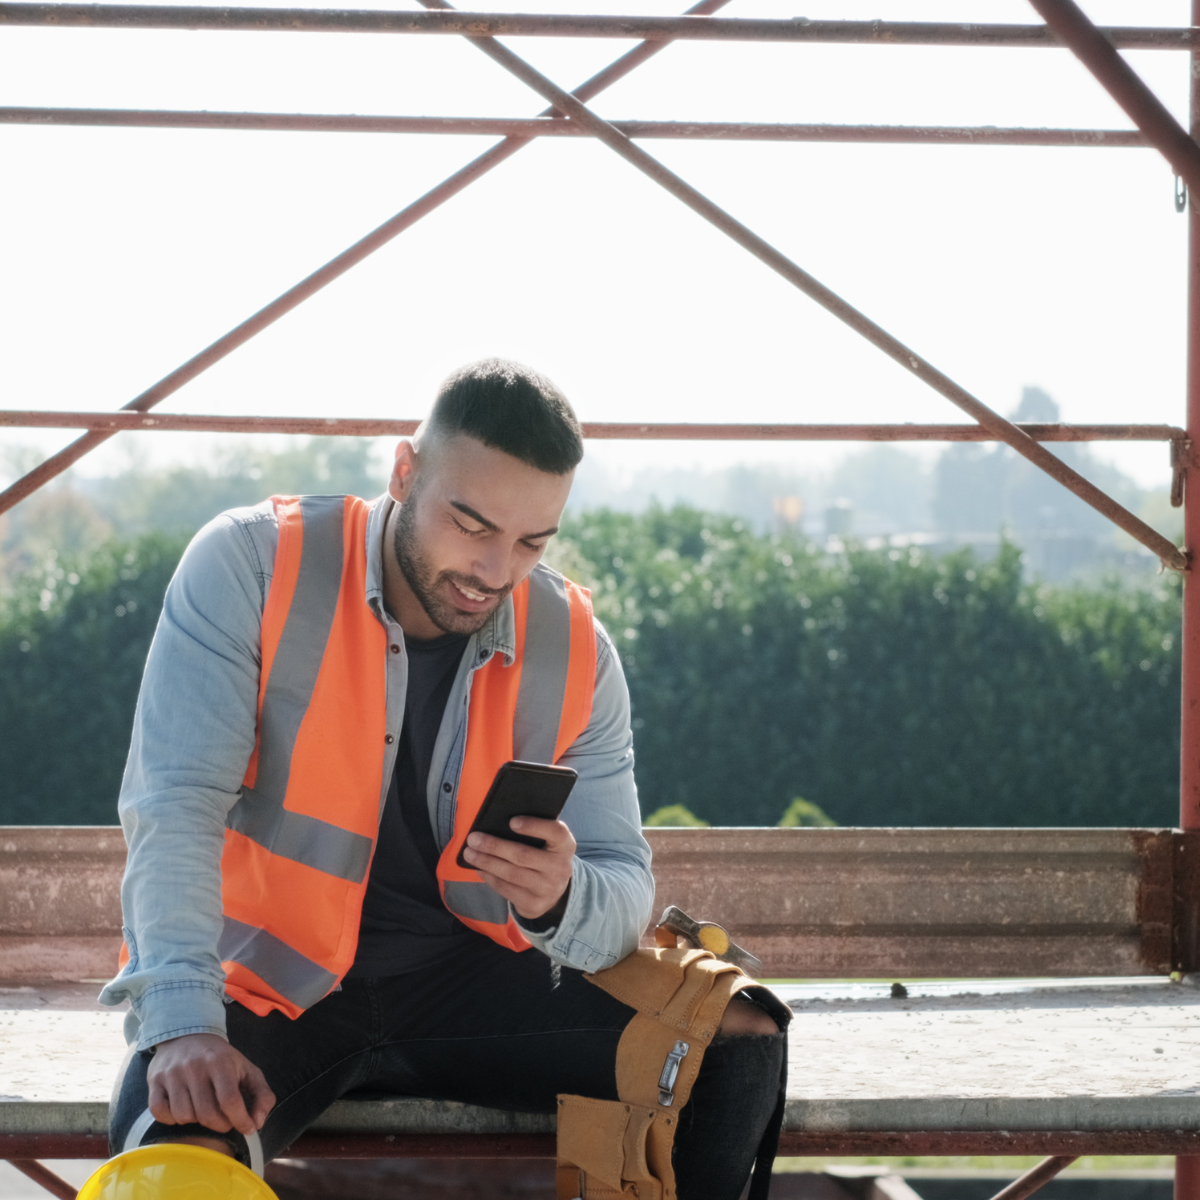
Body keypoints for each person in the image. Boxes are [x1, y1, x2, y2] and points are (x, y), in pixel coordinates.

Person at [101, 358, 788, 1198]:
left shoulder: (575, 648)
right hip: (266, 987)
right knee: (176, 1163)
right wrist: (180, 1026)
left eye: (532, 541)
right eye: (472, 525)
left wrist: (562, 896)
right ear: (404, 473)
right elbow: (173, 806)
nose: (497, 570)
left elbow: (621, 893)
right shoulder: (252, 564)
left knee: (739, 1034)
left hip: (470, 986)